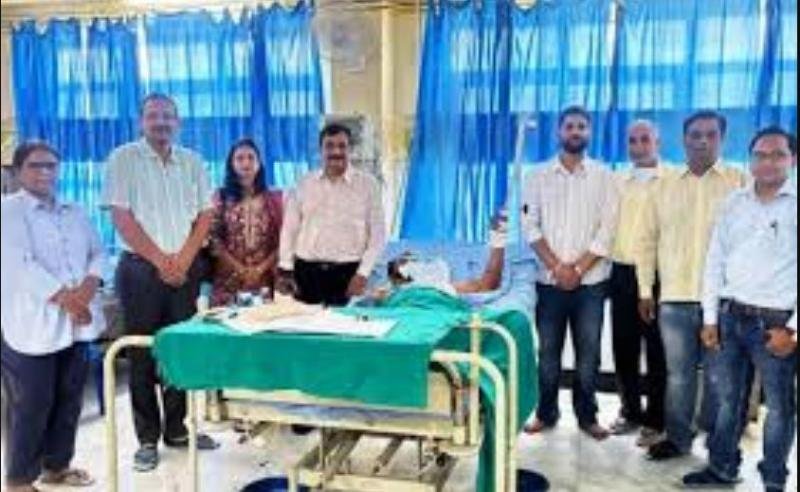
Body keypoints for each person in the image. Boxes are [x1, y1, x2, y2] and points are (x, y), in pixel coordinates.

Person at [102, 93, 219, 473]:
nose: (161, 122)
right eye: (153, 115)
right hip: (139, 271)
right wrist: (161, 261)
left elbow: (205, 216)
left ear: (178, 122)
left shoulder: (193, 161)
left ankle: (178, 430)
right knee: (141, 354)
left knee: (178, 350)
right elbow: (122, 218)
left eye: (168, 116)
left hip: (185, 269)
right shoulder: (123, 158)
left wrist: (183, 260)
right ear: (141, 121)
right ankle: (147, 439)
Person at [682, 127, 797, 491]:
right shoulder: (734, 202)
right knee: (727, 399)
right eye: (760, 155)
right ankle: (722, 467)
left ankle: (774, 478)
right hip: (730, 317)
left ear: (793, 160)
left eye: (777, 155)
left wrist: (795, 331)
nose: (768, 162)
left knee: (779, 407)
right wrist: (710, 318)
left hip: (777, 323)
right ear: (750, 160)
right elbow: (715, 260)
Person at [635, 110, 746, 460]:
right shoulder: (663, 185)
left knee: (718, 377)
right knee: (679, 376)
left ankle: (717, 442)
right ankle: (678, 438)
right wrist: (645, 290)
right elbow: (646, 241)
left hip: (724, 301)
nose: (702, 141)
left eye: (711, 135)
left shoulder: (740, 183)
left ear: (722, 139)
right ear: (684, 139)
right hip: (675, 298)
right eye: (695, 134)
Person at [1, 141, 105, 491]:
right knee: (32, 403)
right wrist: (68, 300)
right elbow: (19, 265)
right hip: (30, 325)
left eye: (51, 165)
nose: (44, 172)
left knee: (69, 398)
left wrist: (87, 290)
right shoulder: (7, 211)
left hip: (77, 324)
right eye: (35, 165)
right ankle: (18, 479)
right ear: (18, 171)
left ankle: (57, 467)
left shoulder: (74, 210)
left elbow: (97, 252)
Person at [521, 106, 620, 441]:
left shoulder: (604, 176)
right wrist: (556, 267)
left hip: (591, 283)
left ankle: (587, 416)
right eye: (569, 126)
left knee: (588, 354)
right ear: (559, 132)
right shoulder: (537, 175)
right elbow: (530, 226)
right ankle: (545, 413)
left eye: (581, 126)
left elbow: (608, 230)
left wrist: (577, 269)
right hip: (548, 283)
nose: (575, 131)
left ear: (589, 132)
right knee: (547, 354)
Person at [277, 123, 386, 306]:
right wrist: (286, 268)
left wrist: (363, 273)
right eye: (329, 146)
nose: (336, 151)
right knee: (305, 324)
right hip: (307, 274)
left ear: (350, 149)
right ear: (320, 150)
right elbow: (289, 230)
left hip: (348, 275)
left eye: (342, 146)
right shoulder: (304, 184)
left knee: (346, 324)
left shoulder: (368, 186)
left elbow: (378, 235)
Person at [608, 120, 669, 448]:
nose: (639, 146)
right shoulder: (618, 181)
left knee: (657, 351)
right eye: (632, 140)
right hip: (621, 272)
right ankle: (630, 411)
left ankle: (656, 420)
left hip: (660, 275)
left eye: (645, 139)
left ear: (658, 142)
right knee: (624, 347)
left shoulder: (672, 180)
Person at [209, 138, 283, 306]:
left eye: (251, 157)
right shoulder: (220, 197)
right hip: (229, 282)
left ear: (259, 163)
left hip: (265, 281)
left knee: (262, 321)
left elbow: (283, 242)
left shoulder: (274, 199)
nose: (246, 163)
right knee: (229, 322)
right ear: (231, 164)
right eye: (240, 158)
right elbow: (214, 241)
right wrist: (240, 269)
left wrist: (260, 269)